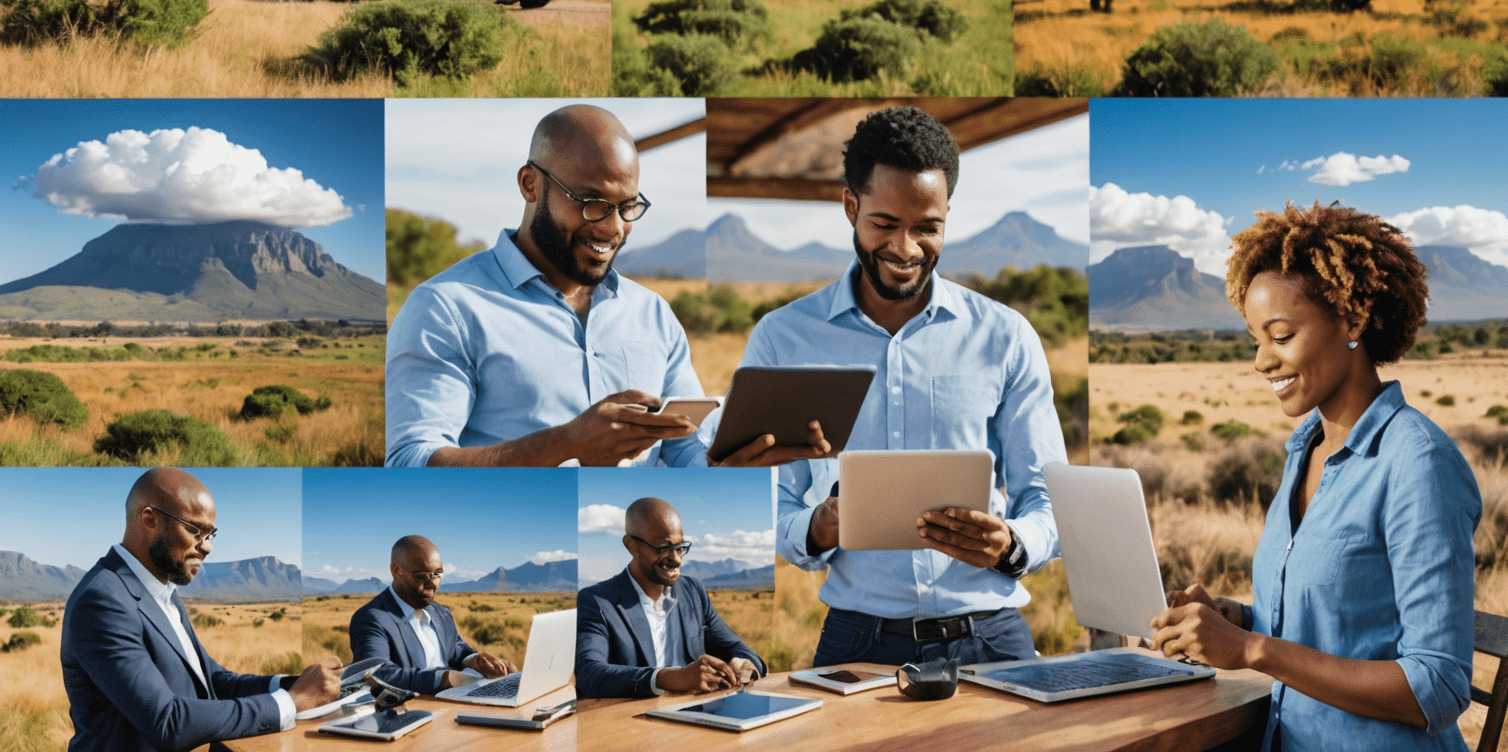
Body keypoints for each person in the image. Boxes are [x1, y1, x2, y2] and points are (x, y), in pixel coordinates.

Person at [738, 105, 1067, 670]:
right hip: (857, 642)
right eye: (885, 224)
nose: (907, 248)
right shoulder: (783, 339)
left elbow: (1049, 498)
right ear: (851, 207)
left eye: (927, 228)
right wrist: (818, 527)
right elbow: (768, 499)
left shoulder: (1006, 336)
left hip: (993, 636)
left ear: (947, 218)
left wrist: (1010, 545)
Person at [1149, 201, 1482, 752]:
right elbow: (1340, 624)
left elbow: (1438, 686)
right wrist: (1232, 619)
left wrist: (1254, 650)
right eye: (1255, 339)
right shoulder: (1306, 449)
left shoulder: (1417, 462)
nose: (1261, 361)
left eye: (1280, 336)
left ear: (1352, 320)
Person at [386, 103, 826, 469]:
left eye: (628, 206)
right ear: (530, 184)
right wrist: (565, 445)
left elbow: (685, 448)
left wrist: (727, 464)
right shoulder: (446, 308)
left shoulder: (652, 314)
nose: (613, 228)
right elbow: (411, 462)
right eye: (592, 203)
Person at [61, 467, 342, 752]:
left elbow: (213, 682)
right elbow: (167, 722)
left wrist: (297, 684)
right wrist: (291, 703)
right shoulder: (102, 601)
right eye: (195, 530)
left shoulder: (163, 593)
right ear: (149, 518)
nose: (206, 547)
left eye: (210, 534)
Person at [574, 498, 765, 698]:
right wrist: (671, 678)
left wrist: (743, 665)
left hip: (696, 715)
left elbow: (735, 647)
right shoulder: (598, 601)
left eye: (680, 546)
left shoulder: (693, 591)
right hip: (632, 723)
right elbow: (589, 674)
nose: (676, 558)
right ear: (631, 545)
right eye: (663, 547)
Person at [349, 535, 512, 696]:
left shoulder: (442, 614)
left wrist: (475, 660)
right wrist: (444, 678)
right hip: (411, 713)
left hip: (457, 705)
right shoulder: (371, 619)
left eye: (437, 574)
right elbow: (375, 675)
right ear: (396, 571)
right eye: (421, 576)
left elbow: (455, 648)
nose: (432, 584)